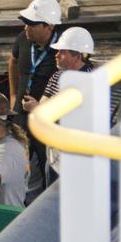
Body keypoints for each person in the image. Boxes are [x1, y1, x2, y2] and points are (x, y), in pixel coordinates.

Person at [22, 26, 95, 182]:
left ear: (78, 56)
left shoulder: (90, 83)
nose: (56, 55)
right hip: (54, 155)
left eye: (62, 52)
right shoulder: (57, 76)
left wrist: (37, 109)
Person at [8, 0, 61, 200]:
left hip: (45, 122)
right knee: (16, 168)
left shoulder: (60, 52)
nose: (25, 28)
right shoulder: (23, 39)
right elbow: (12, 61)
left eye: (31, 24)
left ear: (48, 27)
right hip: (22, 118)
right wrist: (13, 94)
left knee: (50, 168)